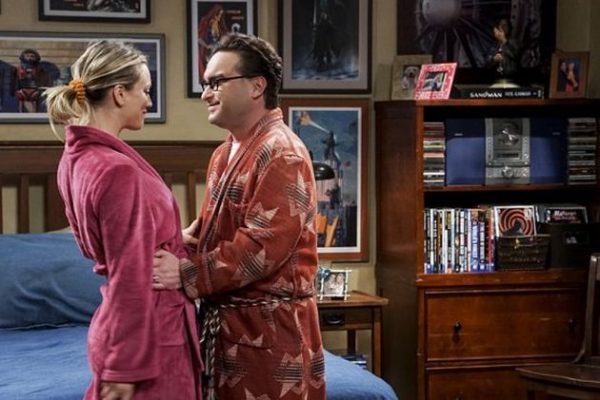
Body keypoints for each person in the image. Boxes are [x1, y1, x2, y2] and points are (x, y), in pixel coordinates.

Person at [152, 33, 326, 399]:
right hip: (227, 332)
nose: (206, 94)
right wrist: (179, 242)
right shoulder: (225, 153)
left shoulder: (282, 153)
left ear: (256, 86)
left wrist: (186, 272)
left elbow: (261, 248)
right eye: (206, 84)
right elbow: (214, 232)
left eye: (216, 82)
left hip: (270, 339)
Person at [44, 40, 202, 400]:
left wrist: (171, 236)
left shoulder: (76, 159)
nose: (148, 101)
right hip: (150, 338)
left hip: (127, 331)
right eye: (144, 90)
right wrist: (123, 367)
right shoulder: (117, 170)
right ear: (119, 93)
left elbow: (112, 235)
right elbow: (128, 271)